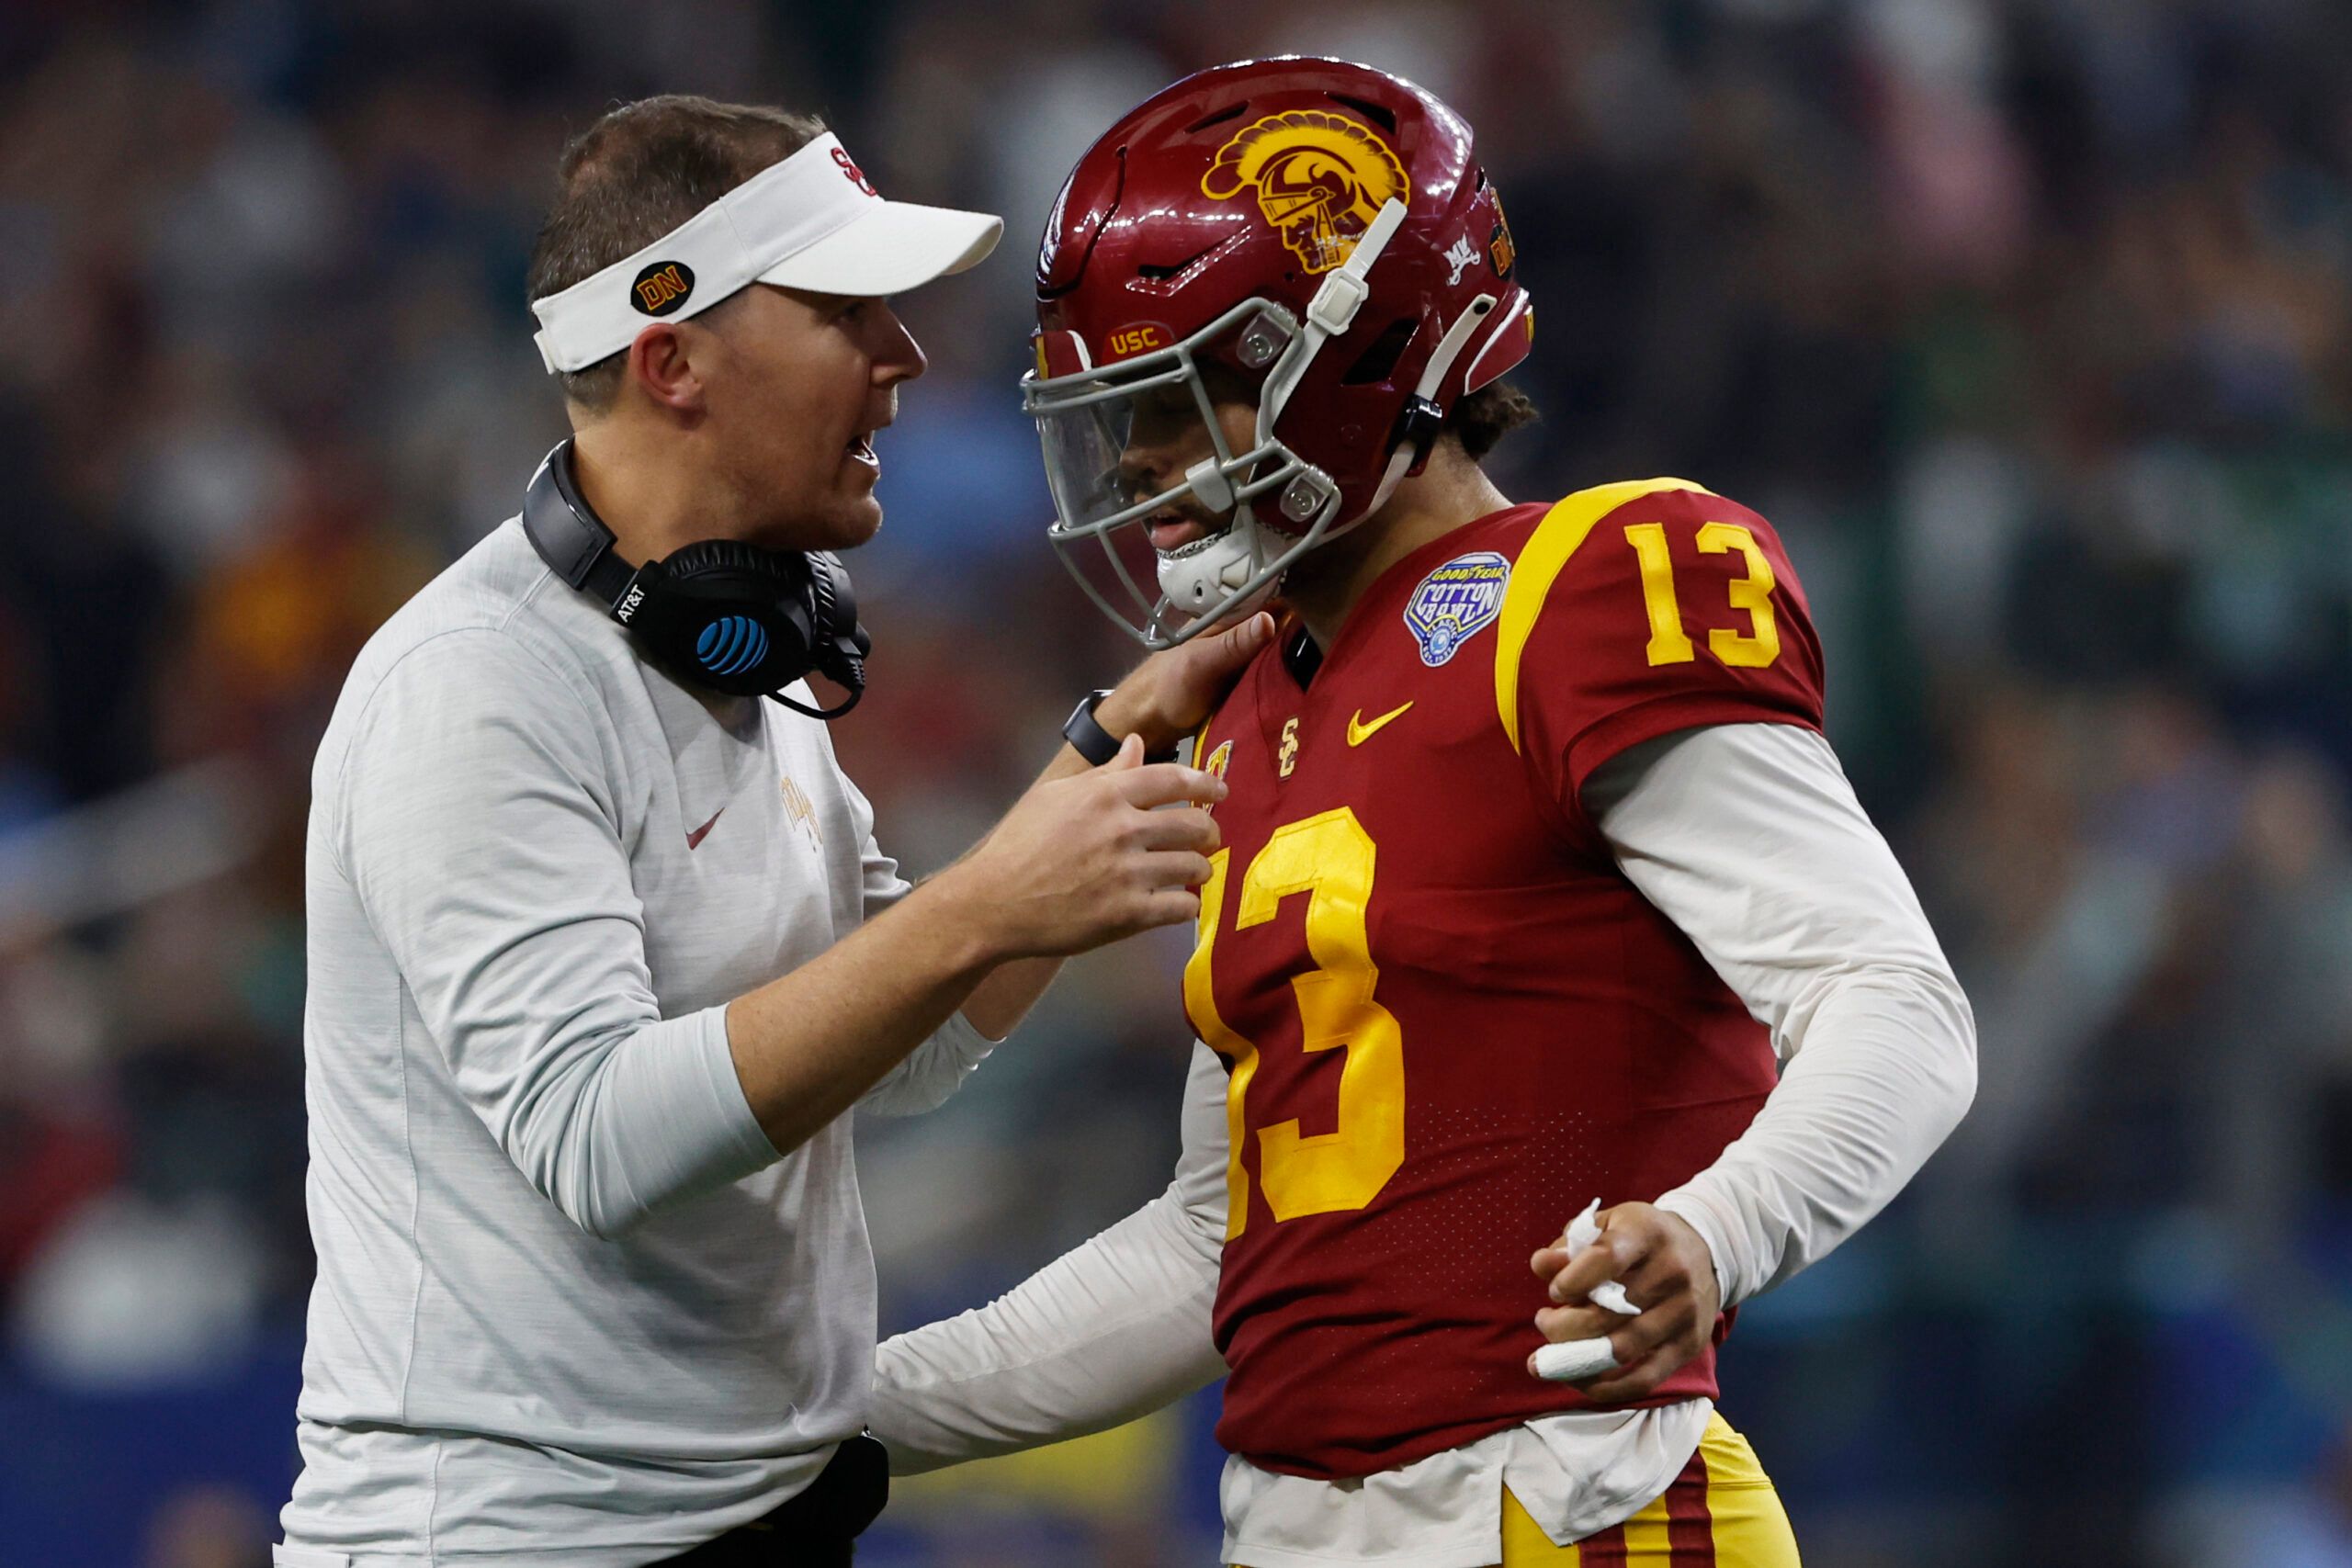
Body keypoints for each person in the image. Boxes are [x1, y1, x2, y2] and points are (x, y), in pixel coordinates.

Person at [868, 59, 1978, 1567]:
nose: (1140, 462)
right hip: (1297, 1524)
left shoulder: (1589, 588)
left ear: (1357, 352)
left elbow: (1896, 1000)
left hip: (1562, 1513)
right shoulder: (1244, 710)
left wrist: (1719, 1235)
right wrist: (841, 1416)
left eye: (1187, 394)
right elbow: (1226, 1245)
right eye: (1122, 414)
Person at [277, 95, 1263, 1568]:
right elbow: (597, 1137)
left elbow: (907, 1036)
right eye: (844, 311)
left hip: (743, 1525)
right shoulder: (476, 687)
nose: (904, 357)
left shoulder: (740, 667)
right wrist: (992, 901)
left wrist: (1110, 747)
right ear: (672, 360)